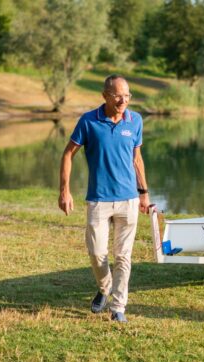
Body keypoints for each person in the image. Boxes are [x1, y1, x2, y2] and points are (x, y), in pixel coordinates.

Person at [58, 74, 150, 323]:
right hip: (98, 199)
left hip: (128, 199)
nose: (123, 100)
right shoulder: (89, 121)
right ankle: (104, 287)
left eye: (127, 95)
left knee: (123, 256)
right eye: (117, 95)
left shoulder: (135, 121)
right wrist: (64, 191)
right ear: (105, 96)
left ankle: (118, 307)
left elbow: (137, 159)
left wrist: (144, 193)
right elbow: (68, 154)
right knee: (97, 253)